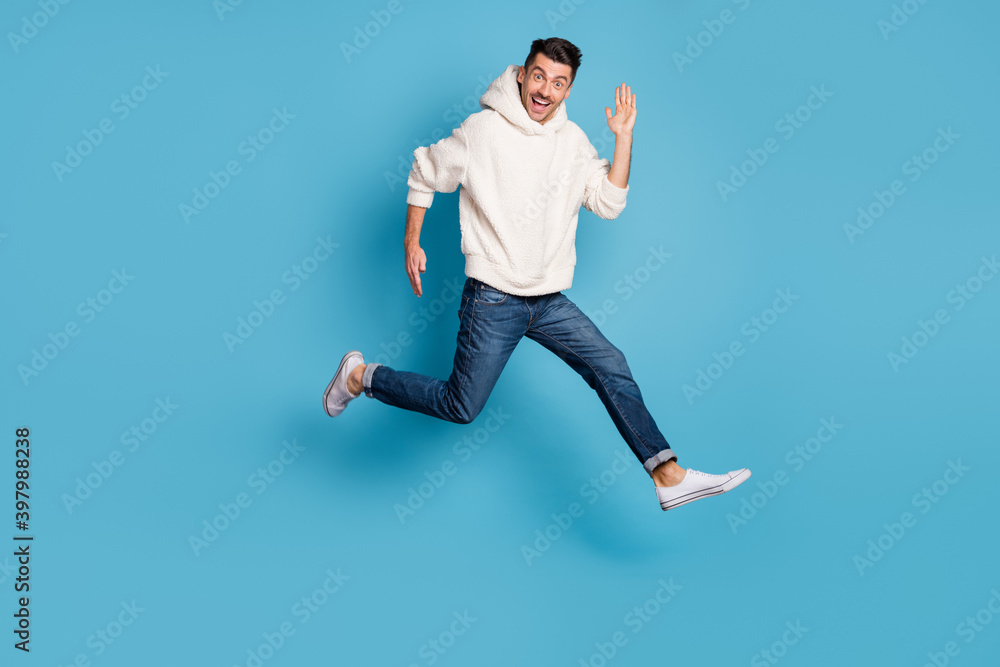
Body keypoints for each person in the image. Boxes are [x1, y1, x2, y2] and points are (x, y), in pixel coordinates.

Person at [324, 37, 750, 511]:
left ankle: (667, 475)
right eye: (541, 76)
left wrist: (623, 139)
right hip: (493, 300)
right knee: (460, 407)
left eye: (560, 82)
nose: (547, 89)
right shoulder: (482, 131)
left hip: (547, 301)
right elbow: (426, 172)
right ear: (523, 75)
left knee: (610, 364)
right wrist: (411, 240)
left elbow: (608, 203)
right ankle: (361, 377)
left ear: (568, 91)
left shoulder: (572, 143)